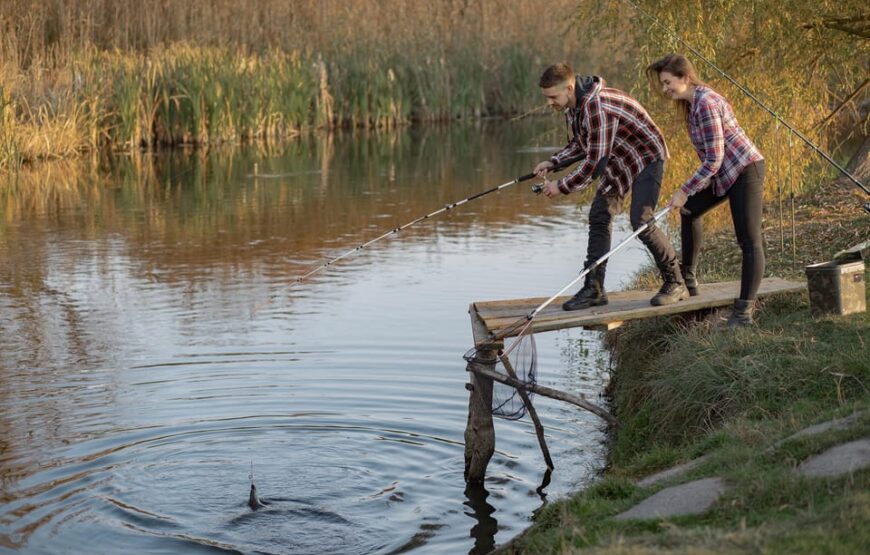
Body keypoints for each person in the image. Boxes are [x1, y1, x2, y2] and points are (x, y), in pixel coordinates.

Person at [534, 63, 688, 310]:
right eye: (547, 97)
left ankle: (676, 282)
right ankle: (594, 289)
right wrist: (554, 162)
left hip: (646, 156)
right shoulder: (575, 107)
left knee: (641, 221)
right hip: (620, 157)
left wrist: (561, 186)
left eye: (553, 97)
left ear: (570, 88)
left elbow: (594, 164)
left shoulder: (597, 106)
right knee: (599, 214)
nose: (550, 102)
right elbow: (582, 144)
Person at [646, 53, 766, 326]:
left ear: (685, 77)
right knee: (689, 211)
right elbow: (713, 161)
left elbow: (714, 157)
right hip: (723, 174)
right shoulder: (692, 105)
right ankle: (687, 282)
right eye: (662, 84)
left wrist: (685, 189)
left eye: (667, 82)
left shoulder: (706, 103)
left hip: (745, 169)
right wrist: (691, 193)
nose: (665, 89)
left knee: (749, 241)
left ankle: (743, 313)